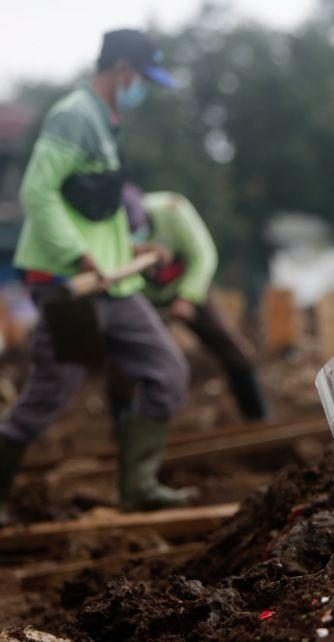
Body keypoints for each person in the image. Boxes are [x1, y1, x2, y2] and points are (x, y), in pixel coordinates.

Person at [0, 30, 192, 525]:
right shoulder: (74, 116)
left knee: (167, 370)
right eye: (143, 78)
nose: (142, 88)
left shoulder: (107, 123)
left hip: (113, 285)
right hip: (71, 289)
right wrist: (80, 256)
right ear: (123, 69)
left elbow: (90, 207)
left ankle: (139, 487)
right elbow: (37, 193)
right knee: (49, 396)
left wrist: (127, 248)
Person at [118, 185, 268, 422]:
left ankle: (257, 417)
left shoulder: (172, 209)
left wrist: (187, 296)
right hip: (141, 299)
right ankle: (125, 431)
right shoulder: (106, 232)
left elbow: (203, 254)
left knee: (230, 347)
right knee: (123, 365)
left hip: (189, 287)